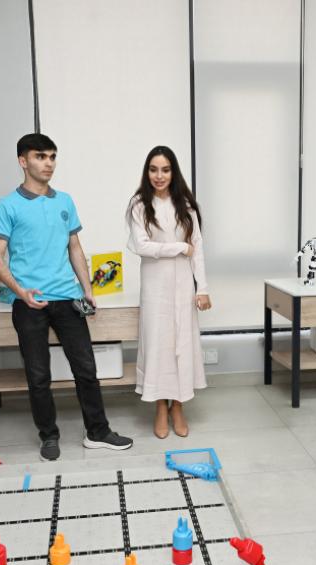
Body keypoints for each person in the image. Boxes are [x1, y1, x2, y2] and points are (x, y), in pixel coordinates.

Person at [0, 133, 134, 461]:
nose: (49, 163)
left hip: (68, 298)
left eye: (52, 156)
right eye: (40, 156)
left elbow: (75, 248)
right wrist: (20, 292)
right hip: (29, 303)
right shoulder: (7, 206)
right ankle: (49, 436)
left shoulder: (65, 201)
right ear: (23, 161)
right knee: (38, 376)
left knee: (86, 369)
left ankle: (97, 432)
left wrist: (88, 290)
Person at [126, 146, 210, 438]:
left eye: (165, 169)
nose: (159, 176)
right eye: (153, 169)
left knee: (182, 345)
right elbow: (141, 246)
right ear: (147, 172)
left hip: (184, 285)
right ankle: (161, 406)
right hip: (155, 286)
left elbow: (197, 249)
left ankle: (178, 406)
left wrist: (202, 288)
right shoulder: (139, 205)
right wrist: (179, 247)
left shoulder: (186, 205)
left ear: (173, 172)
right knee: (158, 345)